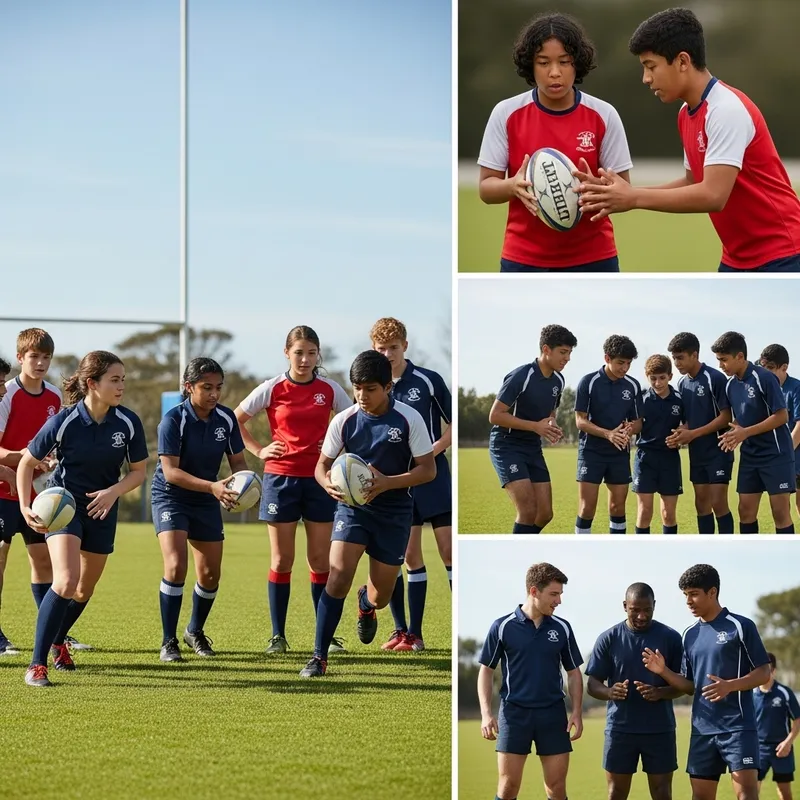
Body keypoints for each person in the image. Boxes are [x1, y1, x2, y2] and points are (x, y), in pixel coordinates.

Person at [577, 7, 800, 273]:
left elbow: (713, 195)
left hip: (784, 255)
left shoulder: (725, 110)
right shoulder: (686, 113)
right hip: (737, 259)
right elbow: (693, 182)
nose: (646, 78)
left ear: (683, 61)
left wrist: (634, 198)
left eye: (651, 66)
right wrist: (617, 196)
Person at [16, 350, 148, 687]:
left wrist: (113, 492)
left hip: (104, 508)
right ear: (92, 383)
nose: (121, 386)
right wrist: (24, 506)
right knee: (66, 581)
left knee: (84, 588)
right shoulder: (63, 421)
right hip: (64, 506)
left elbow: (137, 473)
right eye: (114, 380)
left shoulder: (128, 422)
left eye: (123, 380)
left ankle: (60, 641)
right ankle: (36, 665)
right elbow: (26, 463)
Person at [300, 350, 435, 678]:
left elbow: (427, 470)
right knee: (337, 575)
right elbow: (322, 466)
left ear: (388, 387)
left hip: (395, 512)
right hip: (353, 510)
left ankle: (365, 604)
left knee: (381, 596)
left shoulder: (408, 420)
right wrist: (327, 484)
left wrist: (388, 482)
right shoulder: (344, 421)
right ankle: (319, 657)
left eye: (371, 388)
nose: (362, 395)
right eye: (357, 387)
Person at [477, 12, 633, 272]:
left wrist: (597, 191)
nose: (554, 73)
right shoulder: (506, 113)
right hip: (522, 259)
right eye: (543, 62)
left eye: (564, 61)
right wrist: (512, 185)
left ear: (577, 64)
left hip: (594, 258)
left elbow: (625, 190)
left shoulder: (604, 114)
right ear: (530, 65)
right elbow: (486, 188)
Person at [234, 326, 352, 656]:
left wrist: (336, 452)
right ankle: (278, 636)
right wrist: (259, 451)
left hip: (320, 480)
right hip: (280, 480)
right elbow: (234, 420)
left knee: (319, 559)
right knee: (282, 559)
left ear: (318, 355)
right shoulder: (272, 387)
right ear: (287, 353)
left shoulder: (329, 389)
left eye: (311, 353)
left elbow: (353, 421)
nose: (305, 359)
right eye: (298, 352)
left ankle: (324, 636)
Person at [643, 564, 770, 800]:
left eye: (693, 594)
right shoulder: (689, 634)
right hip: (703, 730)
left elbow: (764, 672)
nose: (688, 601)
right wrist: (664, 672)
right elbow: (690, 685)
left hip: (738, 728)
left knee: (747, 794)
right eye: (685, 595)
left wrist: (730, 685)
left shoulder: (740, 626)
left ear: (712, 592)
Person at [152, 358, 248, 662]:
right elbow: (171, 472)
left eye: (218, 387)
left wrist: (243, 489)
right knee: (176, 565)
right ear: (188, 386)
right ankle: (169, 641)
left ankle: (194, 630)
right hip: (171, 496)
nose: (214, 394)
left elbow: (239, 466)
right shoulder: (173, 420)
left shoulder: (227, 419)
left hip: (207, 497)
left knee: (209, 574)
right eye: (206, 387)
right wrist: (213, 487)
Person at [0, 329, 89, 655]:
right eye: (33, 356)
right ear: (21, 357)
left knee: (43, 562)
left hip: (43, 494)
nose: (40, 363)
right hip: (4, 489)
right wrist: (30, 456)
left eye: (46, 357)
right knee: (1, 557)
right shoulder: (6, 393)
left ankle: (54, 633)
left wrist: (51, 460)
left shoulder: (54, 396)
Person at [370, 317, 452, 653]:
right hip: (397, 482)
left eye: (393, 347)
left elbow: (453, 424)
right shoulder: (373, 386)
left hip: (433, 476)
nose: (388, 353)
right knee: (408, 555)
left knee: (449, 552)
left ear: (405, 346)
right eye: (381, 348)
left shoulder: (428, 380)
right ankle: (407, 632)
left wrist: (432, 451)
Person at [478, 562, 583, 800]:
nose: (558, 601)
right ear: (534, 591)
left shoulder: (562, 628)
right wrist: (486, 713)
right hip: (514, 714)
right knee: (508, 787)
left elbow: (574, 673)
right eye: (554, 594)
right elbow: (486, 670)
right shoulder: (502, 626)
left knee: (556, 788)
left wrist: (576, 711)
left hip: (553, 715)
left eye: (560, 595)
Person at [586, 582, 683, 800]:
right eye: (635, 610)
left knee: (662, 793)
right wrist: (610, 692)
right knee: (616, 793)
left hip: (659, 729)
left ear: (654, 606)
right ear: (624, 606)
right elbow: (592, 684)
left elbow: (684, 685)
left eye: (646, 610)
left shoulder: (671, 638)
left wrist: (660, 693)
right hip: (620, 730)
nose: (641, 616)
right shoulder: (608, 638)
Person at [488, 325, 577, 534]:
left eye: (570, 353)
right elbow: (495, 415)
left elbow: (550, 413)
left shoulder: (559, 380)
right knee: (527, 511)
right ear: (546, 349)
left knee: (545, 514)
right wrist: (535, 427)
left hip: (532, 447)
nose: (567, 358)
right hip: (506, 446)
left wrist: (551, 425)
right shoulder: (521, 375)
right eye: (563, 352)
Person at [712, 331, 795, 533]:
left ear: (740, 357)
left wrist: (745, 433)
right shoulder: (731, 385)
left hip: (776, 454)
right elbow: (745, 415)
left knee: (780, 513)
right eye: (718, 360)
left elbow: (782, 416)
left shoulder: (764, 377)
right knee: (745, 510)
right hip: (750, 456)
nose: (720, 365)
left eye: (724, 360)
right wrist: (735, 433)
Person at [666, 332, 734, 534]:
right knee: (701, 504)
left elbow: (725, 417)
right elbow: (688, 420)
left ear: (694, 355)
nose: (676, 363)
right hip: (697, 453)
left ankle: (726, 543)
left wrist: (692, 434)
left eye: (680, 358)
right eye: (674, 358)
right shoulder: (681, 384)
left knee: (718, 503)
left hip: (718, 451)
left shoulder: (715, 378)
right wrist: (682, 432)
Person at [574, 335, 642, 534]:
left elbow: (638, 422)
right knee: (587, 508)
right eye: (621, 363)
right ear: (607, 358)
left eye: (629, 363)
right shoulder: (589, 382)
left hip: (619, 453)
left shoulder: (633, 385)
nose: (625, 368)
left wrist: (630, 429)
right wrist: (608, 434)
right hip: (591, 452)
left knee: (617, 507)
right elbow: (580, 421)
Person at [633, 355, 685, 534]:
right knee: (645, 512)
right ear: (647, 376)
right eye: (653, 378)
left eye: (662, 377)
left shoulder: (680, 399)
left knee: (668, 513)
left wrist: (680, 436)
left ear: (670, 376)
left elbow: (688, 425)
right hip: (645, 458)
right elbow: (634, 423)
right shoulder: (641, 399)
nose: (657, 382)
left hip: (669, 458)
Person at [759, 345, 800, 521]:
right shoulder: (766, 389)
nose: (766, 373)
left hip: (792, 456)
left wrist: (784, 453)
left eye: (770, 368)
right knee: (781, 505)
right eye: (763, 368)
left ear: (784, 368)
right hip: (776, 458)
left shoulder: (795, 388)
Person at [754, 653, 800, 799]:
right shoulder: (750, 694)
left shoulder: (784, 693)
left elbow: (798, 720)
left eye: (766, 669)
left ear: (773, 670)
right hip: (758, 749)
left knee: (785, 792)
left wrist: (788, 743)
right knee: (751, 791)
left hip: (782, 750)